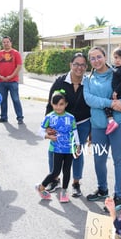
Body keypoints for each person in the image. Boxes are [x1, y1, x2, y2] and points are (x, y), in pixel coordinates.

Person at [83, 46, 121, 211]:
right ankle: (102, 189)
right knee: (99, 159)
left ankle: (119, 196)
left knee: (119, 160)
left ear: (105, 56)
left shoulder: (118, 72)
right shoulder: (88, 79)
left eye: (99, 56)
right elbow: (89, 99)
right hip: (99, 126)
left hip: (120, 124)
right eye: (92, 58)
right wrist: (111, 103)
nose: (96, 60)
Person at [44, 53, 91, 198]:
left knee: (77, 153)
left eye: (82, 65)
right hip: (60, 125)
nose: (79, 67)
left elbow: (93, 106)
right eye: (76, 64)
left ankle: (76, 183)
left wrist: (92, 130)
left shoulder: (89, 83)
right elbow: (50, 104)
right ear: (71, 65)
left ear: (86, 67)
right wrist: (47, 126)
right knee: (55, 152)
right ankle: (54, 179)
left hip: (82, 124)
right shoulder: (60, 82)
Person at [36, 91, 80, 203]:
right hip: (56, 149)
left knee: (67, 171)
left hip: (70, 148)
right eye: (55, 104)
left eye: (61, 104)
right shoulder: (49, 117)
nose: (58, 107)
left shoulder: (71, 117)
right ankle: (40, 187)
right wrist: (48, 137)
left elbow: (75, 132)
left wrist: (78, 145)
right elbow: (39, 132)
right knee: (55, 172)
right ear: (51, 104)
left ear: (66, 104)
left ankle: (64, 192)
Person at [0, 36, 24, 124]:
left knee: (15, 99)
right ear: (2, 43)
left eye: (7, 42)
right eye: (4, 42)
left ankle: (20, 117)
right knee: (2, 100)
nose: (6, 43)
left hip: (13, 81)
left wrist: (11, 76)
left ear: (11, 43)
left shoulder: (16, 53)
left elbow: (19, 66)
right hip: (2, 82)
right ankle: (3, 117)